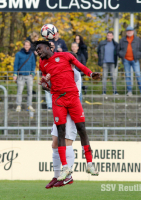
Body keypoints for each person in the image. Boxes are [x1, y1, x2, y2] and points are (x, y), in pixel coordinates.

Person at [36, 40, 100, 181]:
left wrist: (90, 74)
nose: (37, 52)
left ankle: (89, 163)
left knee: (81, 129)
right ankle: (64, 168)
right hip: (58, 99)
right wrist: (44, 83)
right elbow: (50, 85)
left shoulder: (68, 62)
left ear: (47, 48)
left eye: (39, 49)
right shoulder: (43, 64)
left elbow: (80, 66)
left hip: (72, 98)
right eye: (36, 50)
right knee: (60, 133)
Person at [45, 52, 82, 188]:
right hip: (60, 109)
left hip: (70, 111)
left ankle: (69, 176)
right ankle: (56, 176)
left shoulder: (75, 73)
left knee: (67, 143)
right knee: (55, 144)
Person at [118, 26, 141, 96]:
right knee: (127, 75)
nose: (129, 32)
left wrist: (138, 56)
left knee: (138, 75)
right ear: (126, 32)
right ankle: (129, 91)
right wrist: (121, 55)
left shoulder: (137, 39)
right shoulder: (122, 40)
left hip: (135, 60)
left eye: (130, 31)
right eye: (128, 31)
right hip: (126, 60)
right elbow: (118, 50)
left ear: (133, 32)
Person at [13, 40, 36, 112]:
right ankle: (18, 105)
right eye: (25, 45)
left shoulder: (31, 54)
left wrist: (32, 73)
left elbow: (33, 64)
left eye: (28, 45)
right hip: (21, 76)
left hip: (29, 76)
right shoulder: (18, 54)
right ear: (23, 46)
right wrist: (15, 74)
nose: (27, 46)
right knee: (20, 91)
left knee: (30, 91)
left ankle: (29, 105)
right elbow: (15, 65)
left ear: (30, 46)